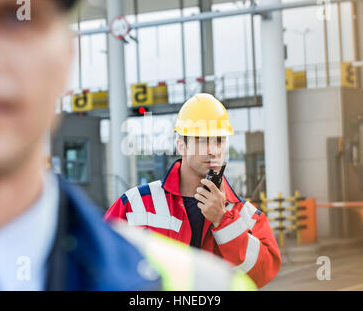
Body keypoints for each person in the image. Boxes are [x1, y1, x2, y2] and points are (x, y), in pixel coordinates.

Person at [0, 0, 257, 291]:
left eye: (12, 19)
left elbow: (261, 266)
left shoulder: (202, 284)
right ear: (181, 144)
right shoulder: (136, 206)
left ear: (67, 59)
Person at [105, 93, 282, 288]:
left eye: (219, 141)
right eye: (202, 140)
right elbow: (98, 257)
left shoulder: (246, 215)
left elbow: (263, 273)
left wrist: (223, 220)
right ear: (181, 145)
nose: (213, 150)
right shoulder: (134, 204)